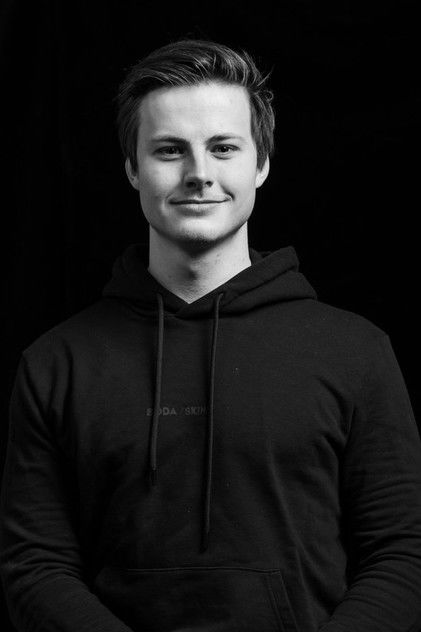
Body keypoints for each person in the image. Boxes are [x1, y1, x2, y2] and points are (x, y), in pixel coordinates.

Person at [1, 38, 421, 632]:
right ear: (132, 168)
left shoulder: (355, 352)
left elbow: (403, 555)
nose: (199, 174)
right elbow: (35, 567)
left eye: (223, 148)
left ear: (261, 164)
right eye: (169, 150)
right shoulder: (56, 363)